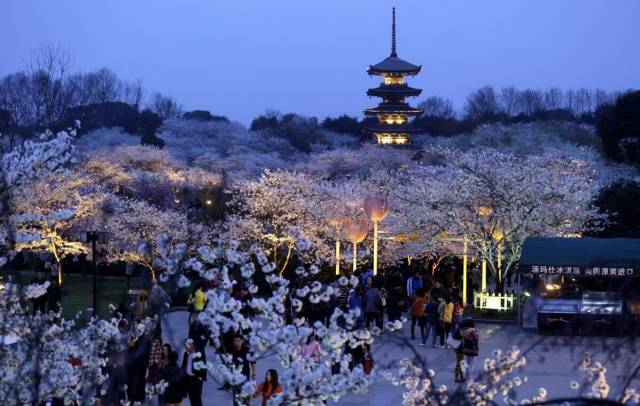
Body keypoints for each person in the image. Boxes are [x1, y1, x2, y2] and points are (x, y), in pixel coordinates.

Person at [229, 334, 257, 404]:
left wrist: (254, 373)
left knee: (246, 397)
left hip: (245, 377)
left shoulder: (247, 350)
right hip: (235, 377)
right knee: (236, 397)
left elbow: (253, 362)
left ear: (242, 341)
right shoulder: (231, 351)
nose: (237, 342)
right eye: (235, 341)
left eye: (238, 341)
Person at [181, 338, 206, 406]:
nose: (185, 347)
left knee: (197, 399)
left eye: (186, 346)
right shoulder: (186, 354)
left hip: (196, 379)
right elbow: (183, 365)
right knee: (191, 399)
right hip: (188, 379)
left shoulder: (199, 353)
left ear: (191, 345)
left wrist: (200, 377)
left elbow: (203, 366)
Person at [455, 318, 479, 382]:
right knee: (471, 364)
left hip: (466, 349)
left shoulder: (463, 330)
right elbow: (476, 339)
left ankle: (466, 377)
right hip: (473, 349)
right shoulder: (473, 331)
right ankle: (469, 378)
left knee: (467, 363)